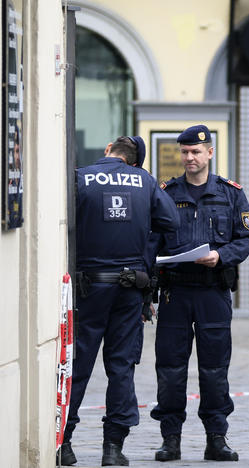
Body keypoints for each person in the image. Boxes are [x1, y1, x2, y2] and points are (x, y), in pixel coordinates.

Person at [61, 136, 179, 466]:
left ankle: (65, 443)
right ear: (134, 162)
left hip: (88, 289)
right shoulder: (145, 181)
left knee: (77, 367)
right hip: (129, 290)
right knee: (121, 367)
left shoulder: (79, 176)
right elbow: (172, 223)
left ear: (108, 148)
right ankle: (113, 448)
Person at [148, 124, 249, 462]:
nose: (189, 157)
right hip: (175, 293)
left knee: (214, 369)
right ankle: (171, 439)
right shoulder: (165, 192)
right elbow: (151, 241)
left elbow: (247, 238)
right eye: (184, 152)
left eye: (196, 151)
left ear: (210, 152)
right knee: (170, 368)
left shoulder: (231, 193)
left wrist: (222, 256)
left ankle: (216, 437)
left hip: (213, 292)